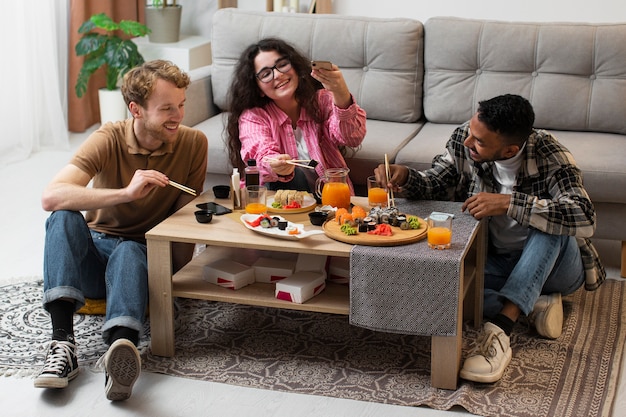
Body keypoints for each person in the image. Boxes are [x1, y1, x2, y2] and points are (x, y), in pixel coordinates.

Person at [375, 94, 605, 383]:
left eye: (480, 142)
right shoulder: (466, 137)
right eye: (472, 133)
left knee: (550, 225)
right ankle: (533, 304)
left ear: (510, 150)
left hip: (558, 269)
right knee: (438, 288)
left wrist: (509, 203)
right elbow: (436, 182)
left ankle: (500, 329)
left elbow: (584, 215)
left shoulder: (549, 153)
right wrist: (406, 177)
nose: (469, 142)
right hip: (495, 265)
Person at [34, 60, 208, 400]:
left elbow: (184, 214)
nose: (179, 115)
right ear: (136, 109)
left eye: (182, 104)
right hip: (94, 258)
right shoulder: (109, 137)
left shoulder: (193, 143)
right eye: (167, 108)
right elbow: (51, 195)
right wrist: (125, 194)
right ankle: (62, 345)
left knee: (130, 249)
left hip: (142, 256)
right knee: (62, 217)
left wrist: (169, 280)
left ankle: (120, 352)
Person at [226, 37, 366, 194]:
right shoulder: (253, 117)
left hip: (331, 198)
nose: (278, 74)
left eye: (282, 65)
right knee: (294, 176)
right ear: (258, 88)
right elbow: (260, 155)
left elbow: (352, 138)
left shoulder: (321, 100)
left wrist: (340, 92)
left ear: (295, 66)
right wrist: (275, 165)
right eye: (266, 74)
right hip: (282, 201)